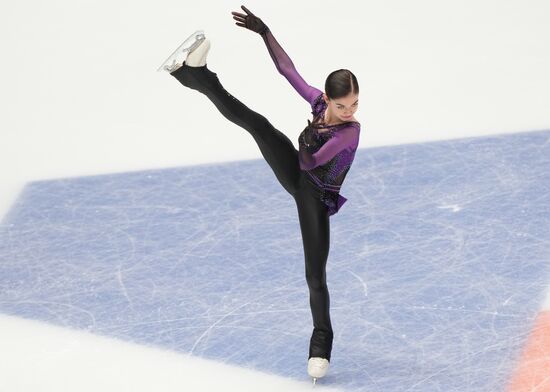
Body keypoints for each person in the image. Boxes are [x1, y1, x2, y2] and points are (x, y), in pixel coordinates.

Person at [157, 5, 360, 383]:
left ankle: (322, 342)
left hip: (313, 197)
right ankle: (195, 76)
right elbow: (288, 71)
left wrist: (306, 140)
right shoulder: (318, 105)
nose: (348, 111)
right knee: (257, 123)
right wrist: (265, 32)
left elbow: (310, 160)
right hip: (298, 172)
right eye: (341, 105)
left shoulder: (349, 133)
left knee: (315, 275)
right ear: (329, 100)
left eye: (353, 104)